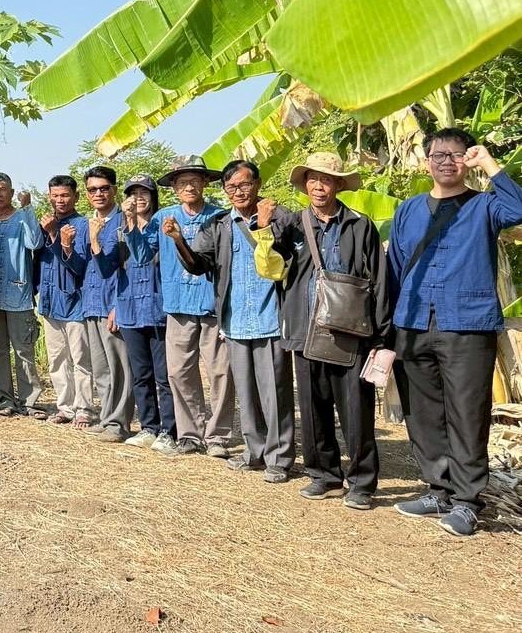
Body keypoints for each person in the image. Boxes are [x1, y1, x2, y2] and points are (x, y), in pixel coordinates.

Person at [387, 130, 522, 537]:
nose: (447, 161)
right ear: (426, 161)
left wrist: (490, 164)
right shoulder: (408, 210)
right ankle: (438, 489)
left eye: (456, 154)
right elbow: (394, 267)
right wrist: (389, 328)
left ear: (467, 160)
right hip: (413, 322)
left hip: (467, 322)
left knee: (467, 412)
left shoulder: (485, 206)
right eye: (438, 154)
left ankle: (467, 501)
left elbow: (518, 209)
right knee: (423, 412)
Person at [268, 153, 389, 511]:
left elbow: (378, 279)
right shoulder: (293, 225)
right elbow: (271, 266)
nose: (319, 186)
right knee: (313, 405)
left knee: (356, 408)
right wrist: (264, 230)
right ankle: (323, 474)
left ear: (338, 184)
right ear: (305, 184)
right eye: (312, 179)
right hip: (306, 328)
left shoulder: (359, 224)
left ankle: (363, 481)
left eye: (327, 179)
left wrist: (379, 335)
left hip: (351, 330)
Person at [169, 160, 295, 483]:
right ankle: (254, 451)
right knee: (247, 393)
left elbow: (289, 261)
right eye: (231, 187)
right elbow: (198, 264)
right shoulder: (220, 225)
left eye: (244, 184)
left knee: (274, 392)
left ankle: (279, 458)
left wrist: (264, 226)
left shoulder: (280, 217)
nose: (239, 192)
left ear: (258, 184)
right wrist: (179, 239)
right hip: (235, 320)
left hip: (270, 318)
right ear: (224, 191)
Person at [153, 154, 236, 459]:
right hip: (177, 305)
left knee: (220, 372)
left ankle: (218, 436)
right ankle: (190, 434)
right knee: (178, 371)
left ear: (204, 183)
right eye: (182, 181)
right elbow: (139, 250)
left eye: (194, 180)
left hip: (212, 305)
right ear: (174, 187)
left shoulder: (221, 218)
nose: (189, 186)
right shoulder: (163, 217)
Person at [115, 175, 177, 452]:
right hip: (129, 309)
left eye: (144, 192)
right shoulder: (119, 227)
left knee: (164, 376)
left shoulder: (159, 226)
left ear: (153, 196)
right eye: (133, 193)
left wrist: (131, 225)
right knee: (140, 374)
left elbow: (141, 255)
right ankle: (149, 427)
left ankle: (169, 430)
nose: (138, 198)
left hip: (157, 309)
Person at [0, 173, 44, 417]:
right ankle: (4, 399)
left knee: (23, 350)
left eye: (2, 189)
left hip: (19, 295)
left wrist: (28, 208)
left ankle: (30, 401)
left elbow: (35, 243)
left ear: (11, 192)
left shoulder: (21, 219)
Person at [83, 166, 134, 442]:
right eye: (93, 190)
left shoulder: (123, 222)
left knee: (120, 368)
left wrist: (118, 304)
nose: (99, 194)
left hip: (113, 303)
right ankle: (107, 418)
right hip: (91, 304)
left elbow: (125, 266)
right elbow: (82, 264)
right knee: (101, 368)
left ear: (114, 190)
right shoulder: (89, 222)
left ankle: (120, 423)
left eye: (104, 188)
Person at [37, 174, 93, 426]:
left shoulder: (83, 225)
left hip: (76, 303)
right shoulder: (45, 223)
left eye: (65, 195)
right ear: (49, 196)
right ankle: (65, 407)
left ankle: (84, 408)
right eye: (55, 195)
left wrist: (58, 239)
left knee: (81, 359)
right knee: (57, 359)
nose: (60, 200)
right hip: (50, 302)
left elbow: (79, 267)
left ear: (76, 196)